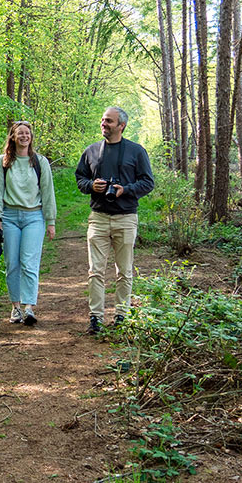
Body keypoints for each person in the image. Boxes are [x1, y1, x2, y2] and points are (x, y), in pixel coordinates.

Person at [75, 106, 154, 335]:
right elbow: (80, 178)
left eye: (109, 121)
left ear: (122, 125)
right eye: (102, 120)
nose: (104, 124)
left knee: (124, 271)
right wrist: (92, 186)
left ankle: (122, 316)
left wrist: (125, 189)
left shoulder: (136, 151)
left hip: (126, 217)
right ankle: (95, 319)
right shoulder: (91, 151)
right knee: (95, 271)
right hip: (98, 218)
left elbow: (148, 182)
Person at [0, 121, 57, 326]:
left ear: (31, 137)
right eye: (20, 133)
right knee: (12, 264)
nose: (24, 136)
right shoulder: (3, 161)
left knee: (29, 262)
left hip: (34, 217)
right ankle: (16, 307)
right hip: (9, 216)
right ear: (12, 136)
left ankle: (29, 307)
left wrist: (51, 220)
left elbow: (47, 192)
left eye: (27, 133)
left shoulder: (40, 162)